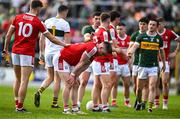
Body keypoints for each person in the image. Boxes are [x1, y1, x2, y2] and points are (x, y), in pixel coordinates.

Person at [2, 0, 68, 112]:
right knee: (24, 80)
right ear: (37, 8)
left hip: (15, 51)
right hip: (27, 53)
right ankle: (20, 107)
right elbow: (51, 38)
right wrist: (64, 44)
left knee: (17, 79)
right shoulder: (38, 22)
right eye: (40, 9)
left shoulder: (18, 17)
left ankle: (17, 103)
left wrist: (5, 49)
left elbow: (8, 35)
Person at [54, 41, 112, 114]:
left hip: (70, 61)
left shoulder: (95, 53)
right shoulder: (93, 49)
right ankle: (66, 109)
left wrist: (76, 76)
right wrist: (72, 74)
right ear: (101, 48)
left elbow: (85, 65)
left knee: (76, 84)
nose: (102, 55)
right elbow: (82, 61)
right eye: (103, 53)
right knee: (68, 84)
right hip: (62, 57)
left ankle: (75, 109)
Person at [34, 5, 71, 108]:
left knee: (49, 77)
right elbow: (67, 42)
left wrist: (41, 52)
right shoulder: (65, 24)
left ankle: (39, 91)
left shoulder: (47, 21)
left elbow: (41, 38)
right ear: (65, 12)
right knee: (57, 79)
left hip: (48, 52)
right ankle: (54, 103)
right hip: (58, 53)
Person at [128, 18, 166, 112]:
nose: (151, 26)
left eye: (153, 25)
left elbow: (162, 52)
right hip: (142, 66)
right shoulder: (141, 36)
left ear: (156, 27)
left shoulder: (159, 39)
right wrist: (130, 52)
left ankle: (149, 106)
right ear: (148, 25)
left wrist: (164, 63)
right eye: (150, 24)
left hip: (153, 66)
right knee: (139, 89)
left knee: (152, 86)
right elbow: (135, 46)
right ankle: (139, 102)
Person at [154, 17, 180, 109]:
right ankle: (156, 103)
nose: (158, 26)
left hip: (165, 61)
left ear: (163, 24)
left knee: (165, 82)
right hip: (154, 61)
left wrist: (176, 52)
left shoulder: (169, 33)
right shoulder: (153, 33)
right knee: (155, 83)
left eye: (160, 24)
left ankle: (165, 103)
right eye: (157, 24)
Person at [77, 12, 101, 109]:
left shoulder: (103, 31)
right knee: (83, 81)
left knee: (98, 84)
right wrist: (92, 38)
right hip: (87, 58)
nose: (98, 20)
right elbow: (86, 38)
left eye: (100, 19)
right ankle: (78, 103)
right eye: (96, 18)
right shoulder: (87, 28)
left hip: (98, 59)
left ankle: (98, 104)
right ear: (92, 19)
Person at [91, 12, 112, 112]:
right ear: (108, 21)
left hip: (95, 60)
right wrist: (112, 57)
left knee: (97, 84)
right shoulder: (104, 32)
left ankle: (95, 106)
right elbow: (106, 47)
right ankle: (104, 106)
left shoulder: (97, 30)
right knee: (106, 84)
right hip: (102, 60)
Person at [128, 17, 149, 109]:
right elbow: (130, 47)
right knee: (135, 86)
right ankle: (138, 99)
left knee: (145, 84)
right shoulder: (135, 34)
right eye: (140, 24)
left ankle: (142, 103)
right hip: (136, 63)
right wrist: (129, 54)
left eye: (144, 24)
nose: (142, 26)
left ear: (147, 25)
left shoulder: (150, 36)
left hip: (146, 64)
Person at [112, 23, 131, 107]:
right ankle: (113, 102)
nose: (119, 31)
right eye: (118, 29)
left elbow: (130, 52)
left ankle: (127, 102)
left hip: (125, 65)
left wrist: (130, 62)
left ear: (125, 29)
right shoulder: (114, 39)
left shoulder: (129, 39)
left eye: (121, 29)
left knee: (127, 84)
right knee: (114, 84)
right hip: (116, 64)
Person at [108, 10, 120, 107]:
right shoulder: (111, 29)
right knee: (110, 82)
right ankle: (104, 102)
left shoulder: (111, 28)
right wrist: (117, 50)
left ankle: (104, 102)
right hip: (111, 58)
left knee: (110, 82)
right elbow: (113, 44)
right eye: (118, 18)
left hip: (111, 57)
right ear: (116, 19)